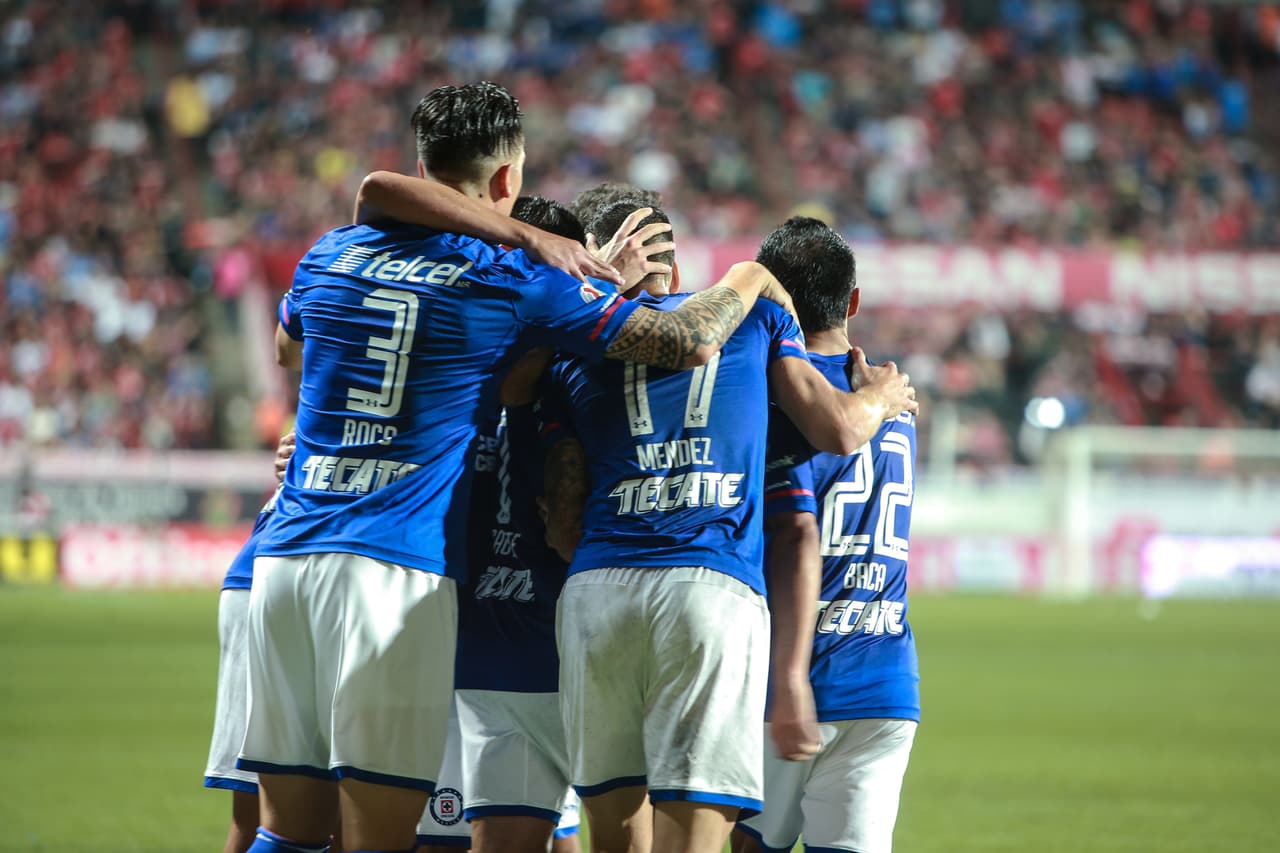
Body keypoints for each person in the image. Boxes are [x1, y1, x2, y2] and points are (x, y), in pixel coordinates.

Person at [238, 81, 793, 853]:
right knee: (376, 835)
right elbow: (686, 344)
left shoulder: (330, 250)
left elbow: (290, 349)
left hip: (285, 558)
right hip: (391, 570)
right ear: (508, 180)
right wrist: (749, 278)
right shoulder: (515, 284)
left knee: (286, 832)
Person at [538, 203, 919, 853]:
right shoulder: (759, 326)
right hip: (717, 591)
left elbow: (557, 507)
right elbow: (834, 438)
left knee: (611, 832)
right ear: (678, 266)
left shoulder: (567, 342)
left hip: (598, 583)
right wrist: (880, 397)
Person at [732, 217, 921, 853]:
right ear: (854, 302)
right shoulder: (890, 398)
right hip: (884, 682)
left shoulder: (762, 395)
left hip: (783, 681)